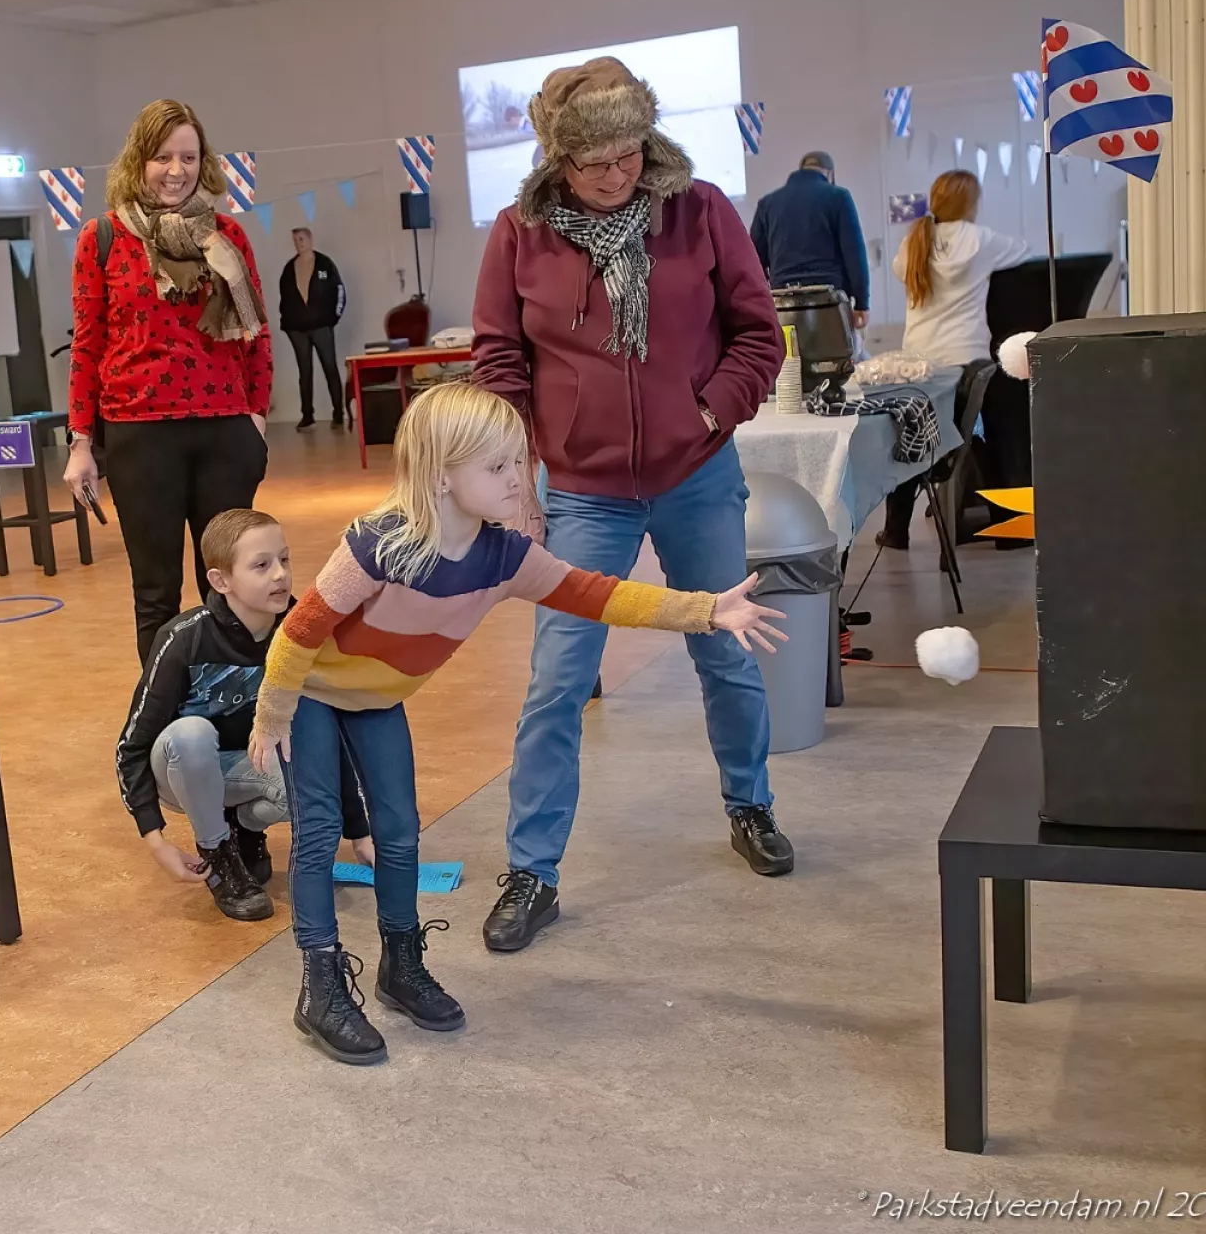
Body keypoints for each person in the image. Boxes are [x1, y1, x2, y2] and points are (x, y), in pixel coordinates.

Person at [250, 383, 785, 1065]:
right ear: (443, 476)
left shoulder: (505, 558)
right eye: (496, 467)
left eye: (518, 462)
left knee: (401, 832)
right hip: (312, 696)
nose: (518, 479)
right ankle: (320, 986)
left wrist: (706, 610)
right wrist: (273, 714)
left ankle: (400, 966)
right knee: (320, 833)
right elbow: (298, 633)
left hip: (378, 701)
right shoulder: (377, 544)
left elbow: (600, 594)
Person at [471, 57, 790, 955]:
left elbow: (758, 334)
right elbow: (498, 361)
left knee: (725, 649)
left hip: (697, 477)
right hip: (582, 492)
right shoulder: (518, 235)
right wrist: (520, 474)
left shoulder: (701, 210)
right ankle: (532, 871)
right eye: (593, 163)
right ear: (555, 160)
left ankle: (751, 805)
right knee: (558, 681)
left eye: (628, 155)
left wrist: (709, 408)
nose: (616, 177)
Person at [62, 98, 274, 665]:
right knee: (155, 594)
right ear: (139, 161)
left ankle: (234, 709)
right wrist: (81, 442)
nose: (175, 170)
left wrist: (256, 418)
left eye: (188, 156)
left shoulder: (227, 234)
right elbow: (87, 345)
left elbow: (256, 335)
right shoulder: (102, 237)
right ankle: (168, 719)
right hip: (140, 436)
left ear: (203, 162)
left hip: (224, 434)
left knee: (231, 590)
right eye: (162, 157)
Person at [115, 507, 373, 922]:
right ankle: (219, 853)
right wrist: (156, 840)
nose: (280, 575)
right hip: (183, 769)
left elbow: (333, 730)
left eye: (284, 560)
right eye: (261, 565)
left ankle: (245, 830)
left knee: (313, 780)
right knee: (191, 733)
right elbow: (132, 746)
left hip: (249, 767)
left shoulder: (300, 634)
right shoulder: (183, 639)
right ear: (221, 581)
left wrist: (359, 832)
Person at [878, 169, 1031, 549]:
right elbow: (1026, 253)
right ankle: (1007, 526)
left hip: (919, 364)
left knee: (912, 438)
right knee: (994, 435)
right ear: (971, 204)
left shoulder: (914, 242)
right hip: (968, 364)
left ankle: (897, 530)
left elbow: (900, 270)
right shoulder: (982, 240)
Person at [748, 152, 871, 330]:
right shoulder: (838, 197)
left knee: (791, 358)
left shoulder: (767, 204)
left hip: (783, 304)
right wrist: (862, 303)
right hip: (829, 303)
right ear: (829, 174)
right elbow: (854, 253)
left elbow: (754, 259)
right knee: (837, 356)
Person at [276, 228, 347, 430]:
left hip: (322, 325)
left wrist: (333, 318)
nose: (299, 243)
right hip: (297, 329)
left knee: (330, 368)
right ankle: (307, 415)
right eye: (296, 240)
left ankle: (338, 413)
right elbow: (285, 298)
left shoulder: (325, 264)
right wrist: (287, 321)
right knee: (304, 371)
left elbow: (339, 291)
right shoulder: (289, 268)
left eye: (302, 239)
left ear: (310, 239)